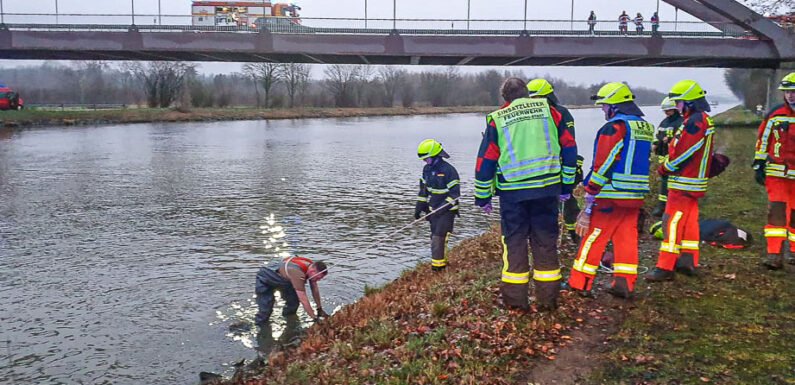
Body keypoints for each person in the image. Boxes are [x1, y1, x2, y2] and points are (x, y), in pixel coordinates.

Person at [474, 77, 577, 310]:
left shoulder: (497, 119)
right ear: (527, 93)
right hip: (546, 190)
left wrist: (483, 197)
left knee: (515, 244)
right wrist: (566, 186)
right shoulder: (551, 112)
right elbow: (569, 149)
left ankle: (516, 303)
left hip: (513, 194)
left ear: (505, 98)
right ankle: (548, 300)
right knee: (545, 242)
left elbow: (486, 160)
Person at [567, 82, 653, 299]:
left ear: (614, 106)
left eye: (604, 106)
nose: (603, 110)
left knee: (594, 236)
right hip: (634, 195)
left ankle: (580, 283)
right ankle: (624, 283)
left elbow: (604, 162)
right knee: (626, 238)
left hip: (611, 194)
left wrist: (590, 187)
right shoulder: (644, 127)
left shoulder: (614, 128)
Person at [647, 80, 715, 281]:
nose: (676, 106)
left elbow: (686, 151)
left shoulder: (695, 121)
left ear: (689, 102)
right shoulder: (701, 119)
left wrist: (665, 167)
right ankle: (688, 261)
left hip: (683, 182)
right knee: (690, 224)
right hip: (692, 182)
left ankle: (665, 267)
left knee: (672, 223)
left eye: (678, 102)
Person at [526, 78, 582, 244]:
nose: (534, 103)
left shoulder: (561, 113)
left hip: (561, 166)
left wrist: (569, 168)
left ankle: (576, 236)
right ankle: (545, 238)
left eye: (536, 99)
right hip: (541, 169)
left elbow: (569, 143)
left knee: (569, 204)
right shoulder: (531, 115)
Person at [753, 72, 795, 270]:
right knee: (776, 213)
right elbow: (763, 139)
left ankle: (793, 252)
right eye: (787, 92)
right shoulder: (775, 113)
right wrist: (759, 163)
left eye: (793, 91)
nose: (791, 95)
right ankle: (774, 254)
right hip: (776, 174)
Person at [415, 139, 460, 271]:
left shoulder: (449, 170)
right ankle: (439, 264)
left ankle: (438, 268)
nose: (425, 161)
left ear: (435, 156)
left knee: (439, 237)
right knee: (434, 236)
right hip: (433, 210)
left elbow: (455, 194)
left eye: (427, 159)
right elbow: (423, 189)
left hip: (447, 211)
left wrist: (442, 208)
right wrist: (420, 205)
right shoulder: (426, 170)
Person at [254, 256, 328, 324]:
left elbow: (314, 287)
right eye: (318, 278)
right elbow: (303, 298)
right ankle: (260, 327)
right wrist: (314, 318)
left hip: (285, 279)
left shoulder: (310, 267)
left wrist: (319, 309)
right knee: (266, 310)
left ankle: (289, 322)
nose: (318, 280)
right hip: (265, 279)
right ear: (313, 271)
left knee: (293, 303)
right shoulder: (298, 274)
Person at [651, 97, 684, 217]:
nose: (666, 113)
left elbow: (682, 139)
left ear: (674, 109)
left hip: (674, 157)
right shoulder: (664, 122)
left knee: (672, 183)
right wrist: (655, 144)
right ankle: (662, 206)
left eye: (668, 110)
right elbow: (658, 135)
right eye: (665, 111)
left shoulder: (681, 122)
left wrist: (669, 139)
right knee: (664, 182)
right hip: (662, 157)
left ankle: (669, 207)